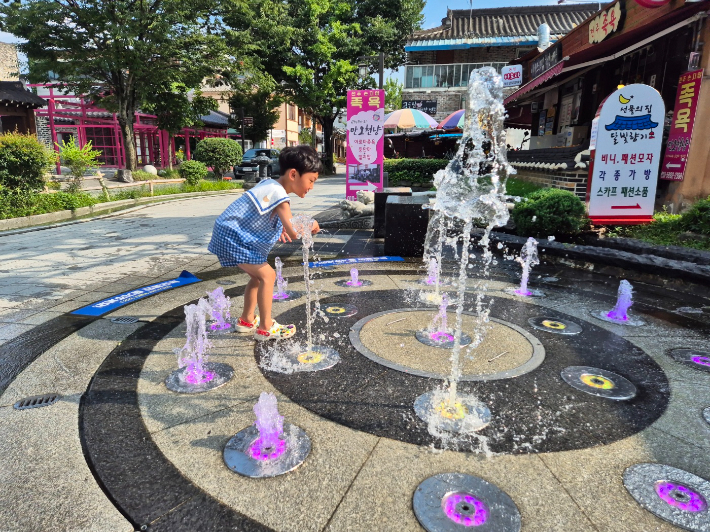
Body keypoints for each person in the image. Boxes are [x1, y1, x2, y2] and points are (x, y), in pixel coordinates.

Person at [208, 145, 322, 341]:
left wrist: (281, 227)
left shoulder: (271, 185)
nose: (311, 187)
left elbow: (260, 215)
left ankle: (246, 319)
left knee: (257, 278)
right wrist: (311, 223)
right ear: (294, 174)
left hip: (228, 234)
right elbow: (295, 233)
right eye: (311, 181)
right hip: (232, 237)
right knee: (268, 275)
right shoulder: (279, 194)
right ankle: (266, 327)